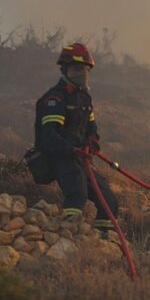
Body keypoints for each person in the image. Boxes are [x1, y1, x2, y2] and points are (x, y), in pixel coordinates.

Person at [33, 42, 118, 233]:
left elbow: (91, 126)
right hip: (59, 157)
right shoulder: (56, 98)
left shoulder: (84, 98)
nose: (82, 73)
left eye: (85, 69)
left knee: (109, 200)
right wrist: (71, 150)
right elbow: (49, 136)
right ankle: (67, 235)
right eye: (77, 69)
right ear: (65, 70)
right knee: (77, 193)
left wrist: (92, 141)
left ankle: (103, 241)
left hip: (80, 157)